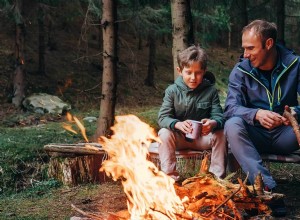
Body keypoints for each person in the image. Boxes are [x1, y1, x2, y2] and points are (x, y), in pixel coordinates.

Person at [224, 19, 300, 217]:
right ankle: (268, 190)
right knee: (232, 125)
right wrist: (255, 114)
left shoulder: (295, 65)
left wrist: (293, 113)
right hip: (253, 136)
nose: (245, 54)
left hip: (286, 135)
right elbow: (230, 108)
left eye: (251, 48)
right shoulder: (240, 71)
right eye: (244, 48)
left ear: (269, 44)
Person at [157, 45, 227, 181]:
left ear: (204, 71)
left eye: (198, 73)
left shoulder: (210, 91)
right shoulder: (172, 91)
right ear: (180, 71)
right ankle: (170, 179)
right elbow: (162, 117)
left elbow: (219, 117)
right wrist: (177, 125)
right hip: (179, 138)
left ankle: (217, 179)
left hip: (202, 138)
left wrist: (212, 123)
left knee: (221, 134)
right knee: (163, 133)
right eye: (188, 72)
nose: (193, 78)